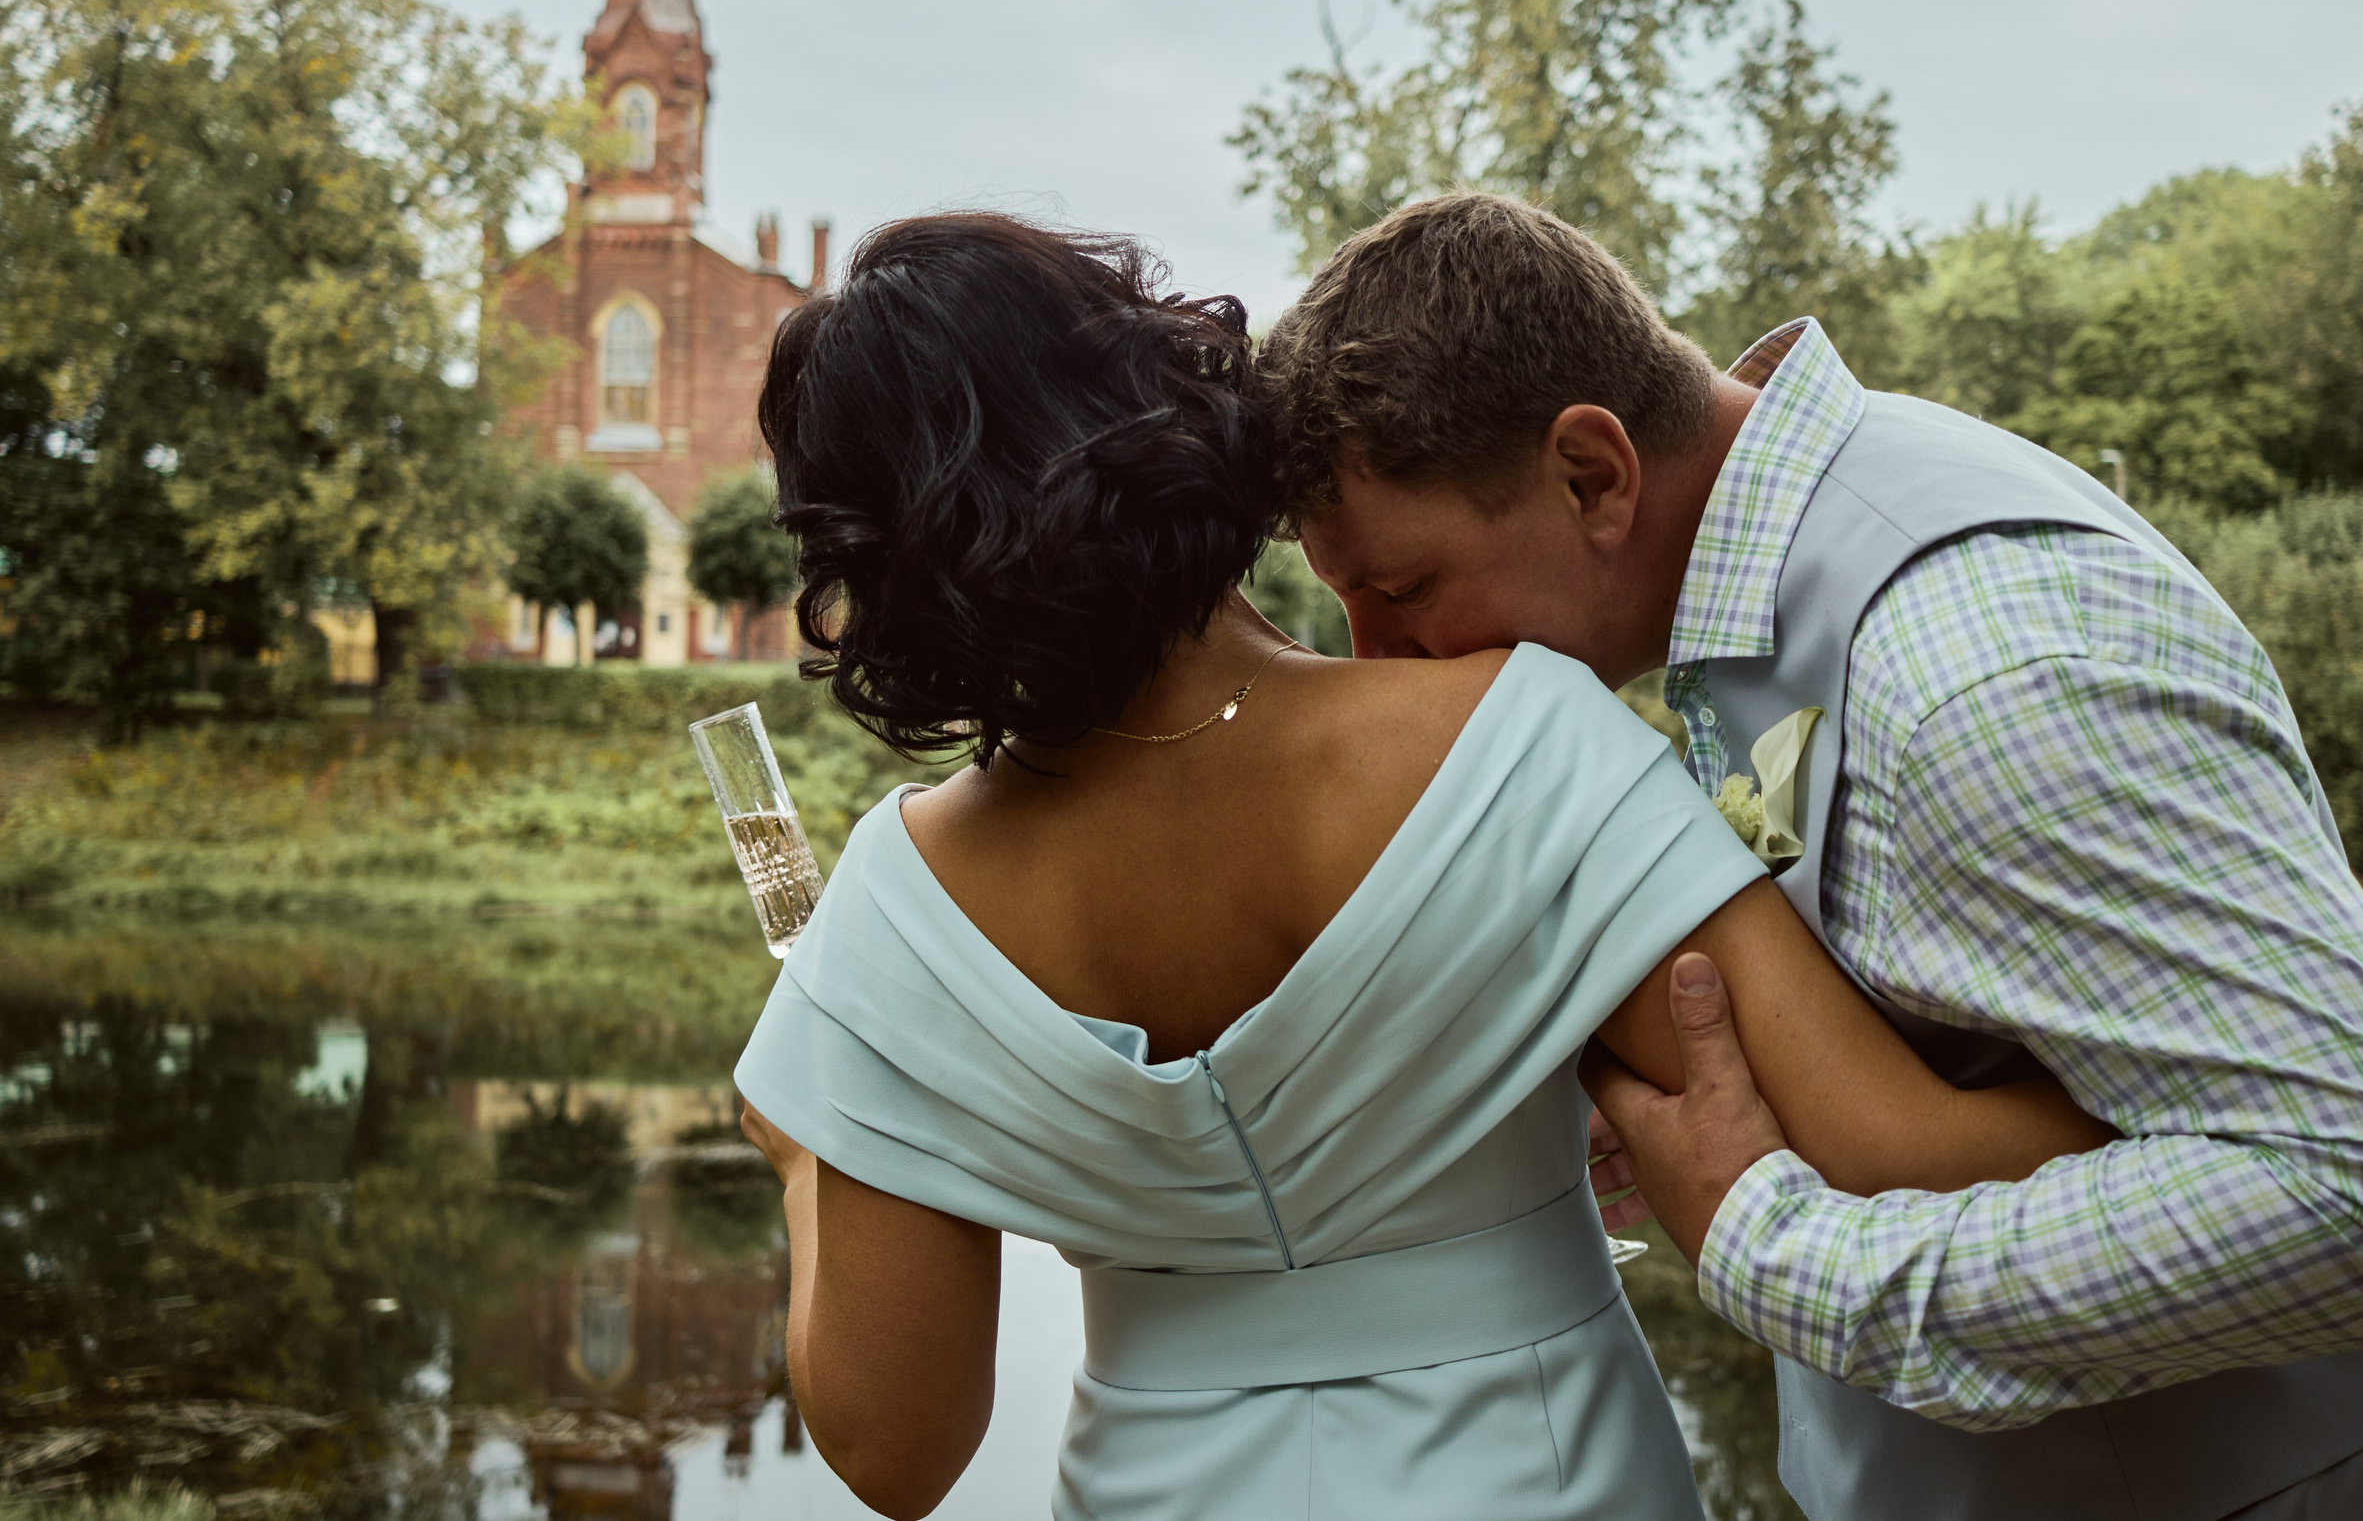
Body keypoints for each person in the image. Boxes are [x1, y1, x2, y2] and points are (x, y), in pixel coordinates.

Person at [730, 213, 2119, 1521]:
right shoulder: (1514, 743)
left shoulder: (894, 913)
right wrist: (2241, 1144)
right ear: (1159, 409)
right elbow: (1905, 1160)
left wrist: (807, 1155)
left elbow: (896, 1450)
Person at [1259, 190, 2363, 1520]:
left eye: (1403, 592)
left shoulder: (1966, 667)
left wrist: (1772, 1242)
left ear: (1592, 475)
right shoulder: (1777, 585)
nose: (1375, 664)